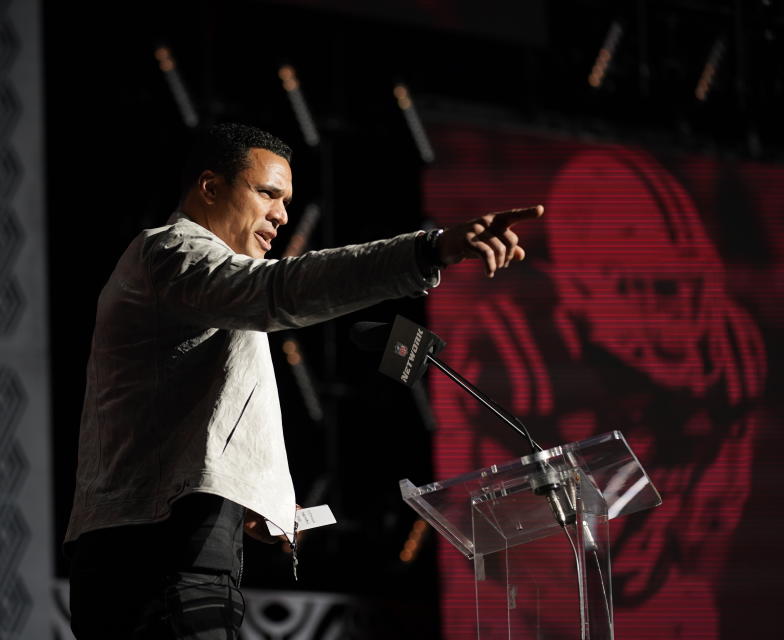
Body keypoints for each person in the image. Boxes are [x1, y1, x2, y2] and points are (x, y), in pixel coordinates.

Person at [64, 122, 542, 639]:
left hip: (165, 556)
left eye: (286, 200)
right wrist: (428, 250)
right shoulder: (172, 253)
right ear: (209, 187)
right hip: (158, 563)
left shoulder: (198, 287)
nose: (282, 216)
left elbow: (168, 418)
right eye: (267, 193)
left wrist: (245, 491)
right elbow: (282, 291)